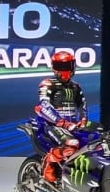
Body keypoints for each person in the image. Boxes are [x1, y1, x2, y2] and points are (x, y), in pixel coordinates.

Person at [36, 50, 91, 184]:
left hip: (73, 125)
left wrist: (83, 119)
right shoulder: (47, 84)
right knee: (71, 144)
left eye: (67, 66)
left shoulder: (76, 86)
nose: (65, 70)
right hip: (51, 125)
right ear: (54, 67)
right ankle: (49, 163)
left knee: (94, 141)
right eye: (61, 66)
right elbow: (43, 106)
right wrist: (60, 122)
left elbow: (82, 105)